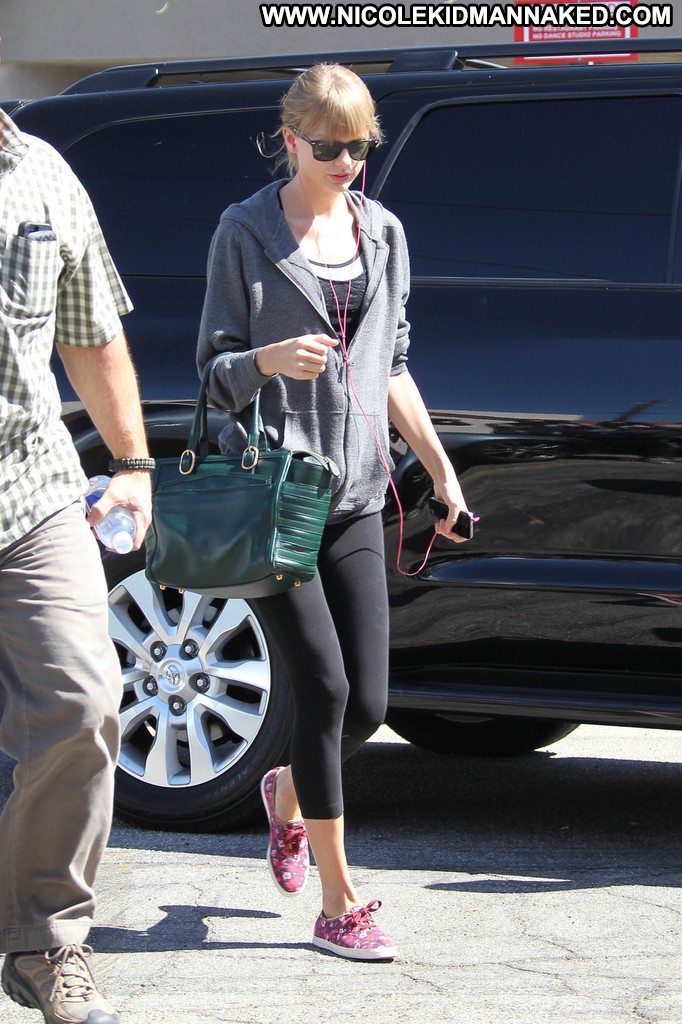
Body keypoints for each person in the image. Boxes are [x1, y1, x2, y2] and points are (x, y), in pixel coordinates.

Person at [197, 63, 471, 961]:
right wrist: (268, 359)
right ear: (291, 140)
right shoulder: (244, 232)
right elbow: (211, 374)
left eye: (358, 146)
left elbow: (394, 364)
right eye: (327, 147)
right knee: (324, 688)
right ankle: (338, 904)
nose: (345, 162)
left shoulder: (383, 233)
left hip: (355, 494)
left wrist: (440, 470)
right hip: (277, 495)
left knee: (370, 702)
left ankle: (285, 795)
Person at [0, 107, 153, 1023]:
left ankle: (44, 940)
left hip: (30, 490)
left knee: (84, 702)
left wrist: (131, 463)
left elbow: (89, 332)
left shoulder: (44, 174)